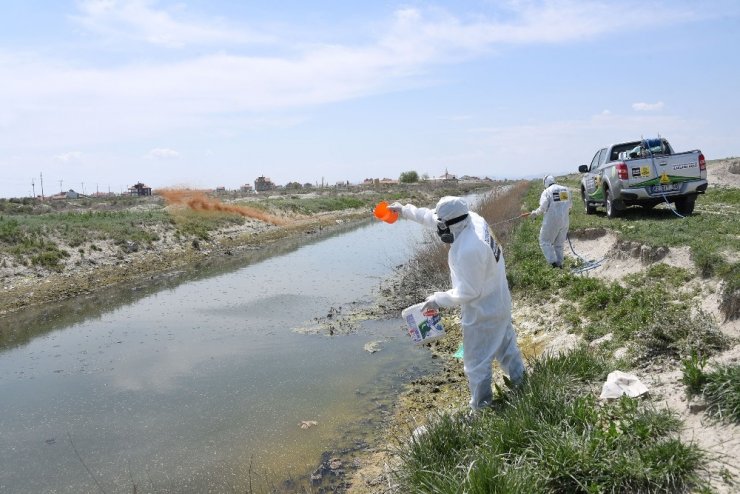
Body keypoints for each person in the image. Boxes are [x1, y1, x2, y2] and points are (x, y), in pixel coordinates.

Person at [389, 196, 525, 410]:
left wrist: (436, 299)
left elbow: (469, 291)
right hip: (499, 298)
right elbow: (430, 217)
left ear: (452, 223)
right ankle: (521, 386)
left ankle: (482, 408)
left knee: (476, 363)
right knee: (507, 348)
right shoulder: (470, 218)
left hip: (483, 313)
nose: (440, 229)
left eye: (442, 226)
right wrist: (404, 211)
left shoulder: (470, 248)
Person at [529, 175, 572, 268]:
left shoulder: (547, 191)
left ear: (545, 183)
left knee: (544, 241)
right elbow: (569, 206)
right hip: (565, 221)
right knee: (559, 244)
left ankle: (553, 264)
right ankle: (560, 264)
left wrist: (534, 213)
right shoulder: (565, 189)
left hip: (552, 221)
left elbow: (543, 208)